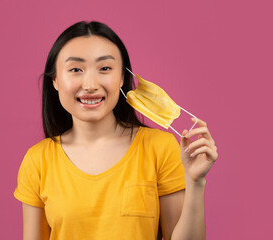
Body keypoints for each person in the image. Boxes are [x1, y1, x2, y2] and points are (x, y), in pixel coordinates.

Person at [13, 21, 218, 240]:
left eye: (105, 69)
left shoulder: (160, 148)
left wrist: (196, 183)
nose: (90, 84)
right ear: (55, 80)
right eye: (75, 69)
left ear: (122, 78)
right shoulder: (38, 161)